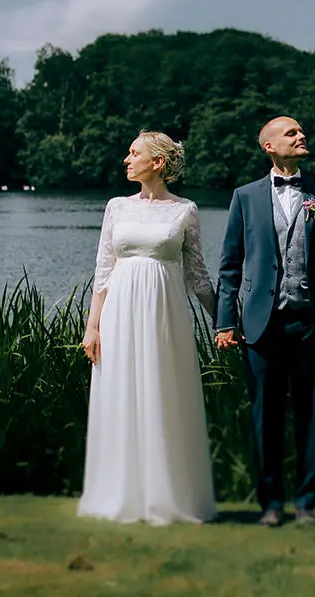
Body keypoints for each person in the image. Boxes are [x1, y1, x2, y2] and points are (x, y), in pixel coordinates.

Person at [215, 116, 315, 527]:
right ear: (269, 146)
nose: (301, 136)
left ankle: (306, 502)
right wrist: (225, 322)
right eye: (291, 133)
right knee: (264, 417)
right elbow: (229, 266)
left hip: (312, 323)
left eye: (301, 131)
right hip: (261, 325)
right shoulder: (245, 196)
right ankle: (271, 503)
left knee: (311, 415)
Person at [77, 130, 218, 525]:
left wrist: (225, 321)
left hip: (164, 316)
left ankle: (166, 495)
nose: (126, 159)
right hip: (119, 313)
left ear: (157, 162)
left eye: (134, 153)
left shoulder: (184, 210)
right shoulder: (116, 207)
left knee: (162, 392)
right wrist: (92, 327)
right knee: (121, 392)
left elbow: (197, 276)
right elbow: (104, 270)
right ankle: (119, 493)